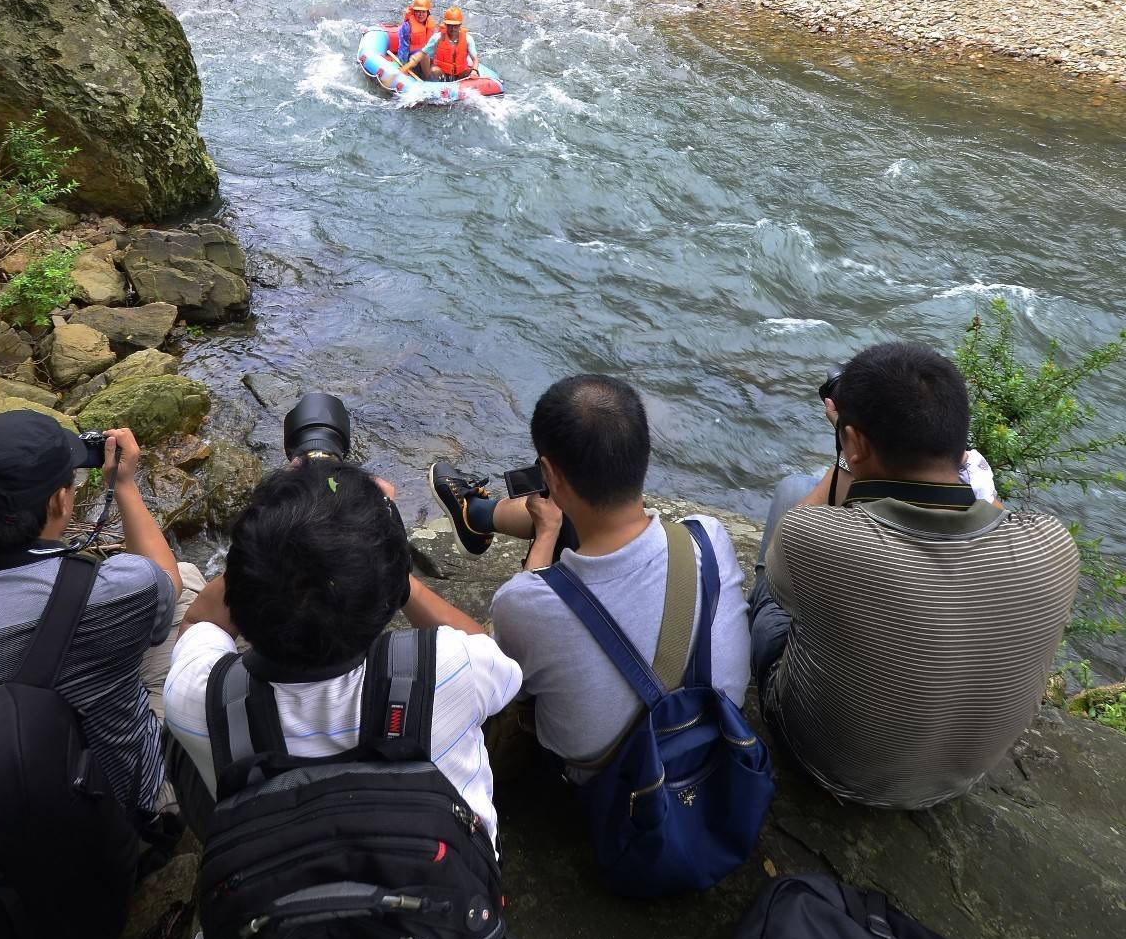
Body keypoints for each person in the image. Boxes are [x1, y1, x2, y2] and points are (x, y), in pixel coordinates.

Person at [747, 342, 1081, 809]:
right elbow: (982, 534)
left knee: (792, 495)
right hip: (957, 781)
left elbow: (804, 536)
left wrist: (847, 455)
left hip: (824, 763)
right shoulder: (1053, 544)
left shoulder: (814, 537)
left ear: (856, 442)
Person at [163, 459, 522, 843]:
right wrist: (389, 562)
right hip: (439, 880)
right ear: (387, 598)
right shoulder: (450, 668)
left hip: (277, 872)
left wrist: (268, 538)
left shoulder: (195, 694)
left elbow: (202, 624)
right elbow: (492, 656)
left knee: (180, 747)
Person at [0, 413, 199, 827]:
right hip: (123, 808)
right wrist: (123, 484)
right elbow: (161, 576)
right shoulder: (117, 588)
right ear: (59, 503)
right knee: (183, 581)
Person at [479, 375, 751, 775]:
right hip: (717, 754)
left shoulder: (524, 602)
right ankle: (476, 514)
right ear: (644, 450)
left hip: (612, 794)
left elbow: (505, 682)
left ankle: (474, 512)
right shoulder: (707, 539)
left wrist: (547, 534)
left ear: (550, 476)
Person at [417, 6, 480, 83]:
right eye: (450, 25)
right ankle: (428, 82)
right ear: (445, 25)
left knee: (470, 73)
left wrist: (474, 70)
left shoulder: (468, 39)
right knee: (434, 71)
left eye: (455, 26)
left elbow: (475, 59)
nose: (453, 29)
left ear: (460, 25)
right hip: (441, 73)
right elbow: (423, 54)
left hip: (459, 74)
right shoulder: (437, 37)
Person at [396, 0, 436, 73]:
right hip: (412, 58)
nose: (420, 14)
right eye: (418, 11)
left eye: (423, 12)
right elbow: (404, 47)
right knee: (425, 56)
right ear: (414, 12)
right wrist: (405, 64)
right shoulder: (407, 27)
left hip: (425, 55)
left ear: (427, 13)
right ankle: (426, 78)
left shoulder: (430, 24)